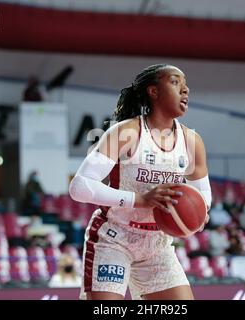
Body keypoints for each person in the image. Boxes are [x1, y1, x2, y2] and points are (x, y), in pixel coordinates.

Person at [68, 64, 211, 300]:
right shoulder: (127, 132)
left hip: (158, 244)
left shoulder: (192, 141)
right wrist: (140, 200)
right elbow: (80, 186)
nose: (185, 90)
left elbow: (203, 194)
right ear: (153, 91)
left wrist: (199, 213)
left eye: (186, 85)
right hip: (115, 239)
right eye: (176, 82)